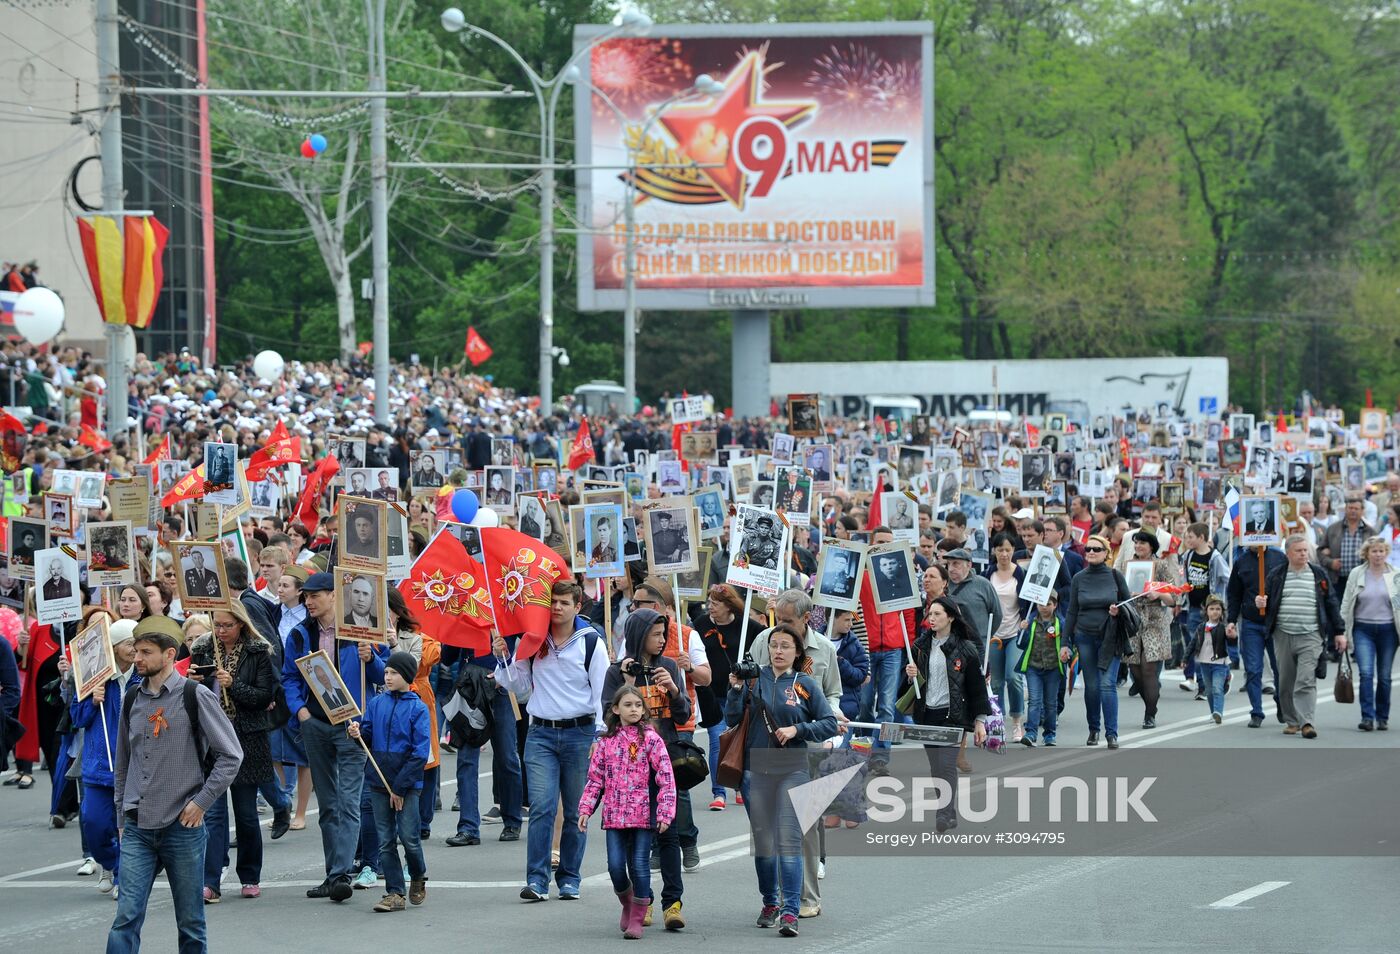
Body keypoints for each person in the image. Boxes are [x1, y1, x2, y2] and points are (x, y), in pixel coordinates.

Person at [107, 616, 243, 954]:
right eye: (135, 651)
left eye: (145, 652)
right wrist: (122, 817)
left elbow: (231, 756)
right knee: (126, 917)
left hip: (182, 826)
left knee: (190, 923)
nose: (136, 659)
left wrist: (201, 802)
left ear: (169, 655)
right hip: (138, 824)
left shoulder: (195, 696)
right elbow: (124, 763)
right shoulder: (131, 699)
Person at [492, 581, 608, 902]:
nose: (557, 607)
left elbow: (602, 694)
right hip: (540, 733)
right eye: (553, 602)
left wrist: (600, 735)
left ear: (577, 607)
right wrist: (502, 658)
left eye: (564, 603)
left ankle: (570, 876)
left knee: (574, 811)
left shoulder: (590, 643)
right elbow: (518, 684)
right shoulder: (533, 639)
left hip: (580, 735)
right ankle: (537, 879)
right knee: (542, 806)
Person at [724, 622, 837, 938]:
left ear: (797, 651)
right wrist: (734, 690)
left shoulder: (804, 685)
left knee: (788, 842)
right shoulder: (753, 680)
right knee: (764, 845)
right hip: (755, 769)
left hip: (793, 768)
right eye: (774, 645)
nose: (778, 651)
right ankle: (770, 903)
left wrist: (798, 731)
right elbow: (732, 719)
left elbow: (829, 723)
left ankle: (790, 912)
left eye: (786, 645)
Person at [282, 572, 388, 903]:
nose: (309, 602)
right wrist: (300, 710)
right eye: (306, 597)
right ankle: (334, 873)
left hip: (351, 725)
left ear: (333, 596)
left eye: (315, 596)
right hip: (315, 723)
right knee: (327, 803)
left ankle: (341, 872)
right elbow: (289, 676)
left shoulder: (359, 631)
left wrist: (370, 657)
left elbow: (382, 675)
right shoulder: (300, 635)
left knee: (349, 799)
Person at [188, 602, 280, 902]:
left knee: (245, 813)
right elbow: (188, 695)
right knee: (212, 813)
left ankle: (250, 875)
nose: (221, 631)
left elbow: (264, 697)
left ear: (241, 624)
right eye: (217, 625)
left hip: (245, 739)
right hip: (211, 737)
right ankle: (210, 881)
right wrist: (194, 682)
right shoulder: (203, 649)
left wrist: (234, 684)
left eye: (227, 625)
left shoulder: (257, 652)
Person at [581, 676, 679, 940]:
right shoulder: (605, 742)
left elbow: (666, 776)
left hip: (643, 814)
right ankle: (627, 902)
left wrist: (665, 812)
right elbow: (594, 780)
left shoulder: (651, 739)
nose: (634, 709)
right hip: (614, 816)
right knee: (615, 866)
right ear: (615, 710)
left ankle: (638, 916)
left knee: (639, 864)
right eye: (628, 705)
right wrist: (585, 810)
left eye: (638, 705)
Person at [347, 651, 431, 913]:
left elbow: (419, 753)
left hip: (406, 786)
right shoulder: (376, 703)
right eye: (386, 673)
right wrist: (357, 732)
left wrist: (400, 788)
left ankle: (418, 874)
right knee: (385, 840)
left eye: (393, 673)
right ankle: (394, 892)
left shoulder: (418, 708)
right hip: (378, 782)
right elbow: (369, 736)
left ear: (406, 676)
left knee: (409, 837)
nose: (388, 677)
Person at [899, 596, 990, 831]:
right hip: (928, 713)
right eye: (930, 614)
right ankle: (948, 811)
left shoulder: (965, 648)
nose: (932, 618)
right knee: (936, 767)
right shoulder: (920, 646)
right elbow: (909, 687)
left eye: (937, 614)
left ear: (950, 617)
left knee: (947, 765)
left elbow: (977, 688)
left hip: (953, 716)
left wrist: (980, 721)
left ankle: (944, 813)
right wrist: (910, 675)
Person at [65, 618, 140, 898]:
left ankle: (122, 877)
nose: (134, 649)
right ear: (115, 647)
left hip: (132, 766)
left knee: (128, 828)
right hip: (99, 764)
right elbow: (78, 718)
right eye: (129, 643)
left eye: (137, 642)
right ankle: (107, 863)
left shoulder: (142, 675)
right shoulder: (95, 675)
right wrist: (92, 701)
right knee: (94, 823)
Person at [1260, 534, 1343, 738]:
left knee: (1305, 679)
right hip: (1283, 634)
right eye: (1299, 550)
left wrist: (1339, 632)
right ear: (1288, 553)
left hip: (1311, 635)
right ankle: (1292, 720)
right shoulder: (1277, 574)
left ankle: (1307, 722)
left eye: (1306, 550)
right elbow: (1268, 603)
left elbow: (1331, 603)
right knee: (1286, 680)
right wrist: (1261, 604)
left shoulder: (1318, 574)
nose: (1304, 554)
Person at [1065, 534, 1131, 748]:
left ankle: (1112, 733)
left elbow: (1129, 606)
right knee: (1092, 686)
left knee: (1107, 684)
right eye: (1088, 549)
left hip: (1110, 637)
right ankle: (1094, 730)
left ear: (1106, 553)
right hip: (1084, 636)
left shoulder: (1115, 576)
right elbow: (1072, 612)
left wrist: (1117, 610)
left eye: (1096, 549)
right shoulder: (1079, 578)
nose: (1091, 552)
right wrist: (1066, 642)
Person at [1339, 536, 1400, 731]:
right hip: (1363, 629)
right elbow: (1347, 602)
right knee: (1366, 673)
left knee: (1384, 676)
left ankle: (1382, 716)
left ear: (1386, 553)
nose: (1378, 555)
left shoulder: (1395, 575)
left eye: (1381, 551)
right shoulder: (1357, 573)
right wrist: (1342, 631)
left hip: (1388, 631)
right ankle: (1367, 717)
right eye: (1374, 551)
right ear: (1367, 553)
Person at [1123, 531, 1178, 729]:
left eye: (1142, 543)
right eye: (1136, 543)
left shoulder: (1161, 565)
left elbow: (1174, 599)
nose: (1138, 546)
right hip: (1132, 621)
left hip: (1155, 622)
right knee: (1135, 670)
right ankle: (1150, 700)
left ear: (1152, 546)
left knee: (1148, 669)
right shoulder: (1127, 565)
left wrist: (1159, 594)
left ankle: (1149, 714)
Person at [983, 534, 1028, 741]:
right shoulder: (986, 575)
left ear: (1013, 551)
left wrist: (1026, 621)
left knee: (1014, 677)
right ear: (994, 551)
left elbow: (1031, 603)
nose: (1004, 553)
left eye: (1008, 549)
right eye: (1000, 549)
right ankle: (997, 723)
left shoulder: (1021, 575)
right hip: (994, 635)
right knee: (997, 682)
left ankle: (1017, 721)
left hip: (1015, 633)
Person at [1016, 591, 1069, 746]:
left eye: (1048, 604)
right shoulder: (1031, 621)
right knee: (1034, 701)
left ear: (1055, 605)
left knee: (1051, 703)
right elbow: (1021, 644)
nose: (1044, 608)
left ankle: (1049, 734)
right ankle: (1031, 733)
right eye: (1040, 604)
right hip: (1034, 667)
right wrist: (1022, 630)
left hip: (1053, 668)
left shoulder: (1061, 622)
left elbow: (1068, 644)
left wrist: (1067, 653)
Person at [1189, 596, 1231, 723]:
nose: (1215, 612)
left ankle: (1218, 712)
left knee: (1217, 688)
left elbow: (1232, 643)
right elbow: (1193, 643)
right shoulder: (1201, 627)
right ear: (1206, 611)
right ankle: (1213, 712)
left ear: (1222, 611)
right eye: (1212, 609)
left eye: (1218, 609)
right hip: (1204, 663)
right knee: (1209, 690)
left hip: (1220, 663)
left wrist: (1233, 637)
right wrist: (1185, 659)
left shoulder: (1224, 627)